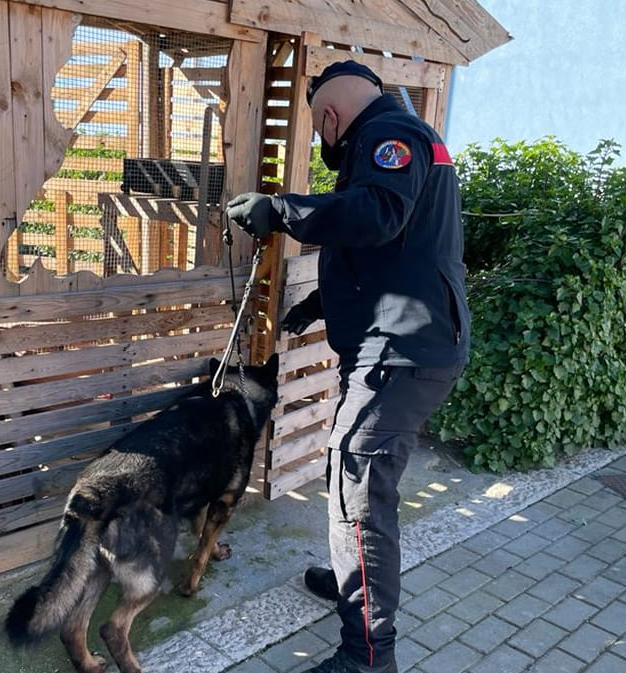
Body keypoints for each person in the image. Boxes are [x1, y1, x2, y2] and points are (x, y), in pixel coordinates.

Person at [225, 61, 470, 673]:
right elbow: (387, 250)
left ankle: (366, 655)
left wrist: (279, 210)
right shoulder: (397, 137)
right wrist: (313, 305)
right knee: (357, 489)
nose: (322, 142)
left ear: (330, 117)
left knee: (357, 497)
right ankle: (351, 588)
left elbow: (374, 215)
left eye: (317, 130)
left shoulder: (393, 140)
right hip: (397, 350)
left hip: (400, 355)